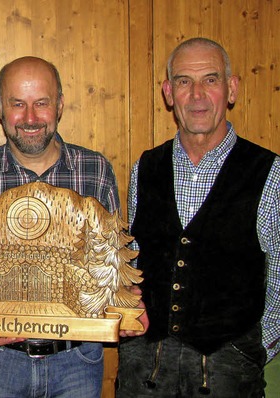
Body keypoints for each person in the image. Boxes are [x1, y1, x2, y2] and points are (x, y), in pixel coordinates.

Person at [0, 56, 141, 397]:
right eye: (17, 104)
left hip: (77, 358)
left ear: (60, 105)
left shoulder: (95, 170)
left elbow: (115, 263)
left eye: (42, 103)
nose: (30, 118)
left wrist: (125, 300)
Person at [117, 37, 280, 397]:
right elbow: (132, 262)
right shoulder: (144, 168)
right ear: (168, 93)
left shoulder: (270, 173)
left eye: (210, 79)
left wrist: (247, 351)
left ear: (232, 89)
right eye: (184, 81)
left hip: (227, 379)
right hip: (144, 375)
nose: (197, 95)